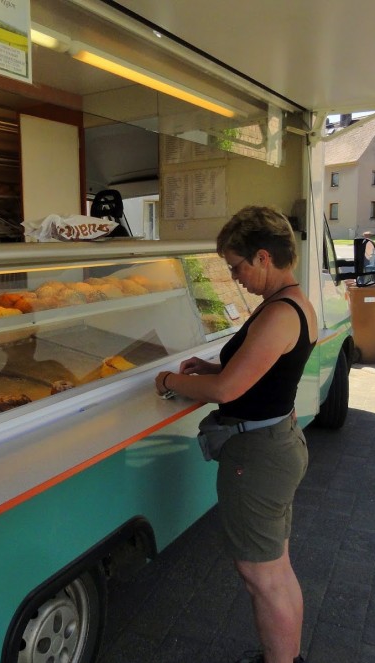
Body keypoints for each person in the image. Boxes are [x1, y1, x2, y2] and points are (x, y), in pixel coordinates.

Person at [155, 205, 315, 663]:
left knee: (260, 575)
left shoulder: (278, 314)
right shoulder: (293, 304)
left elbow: (227, 390)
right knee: (276, 568)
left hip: (259, 457)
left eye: (237, 265)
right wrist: (212, 365)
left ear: (263, 257)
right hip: (277, 443)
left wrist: (170, 382)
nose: (235, 276)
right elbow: (260, 371)